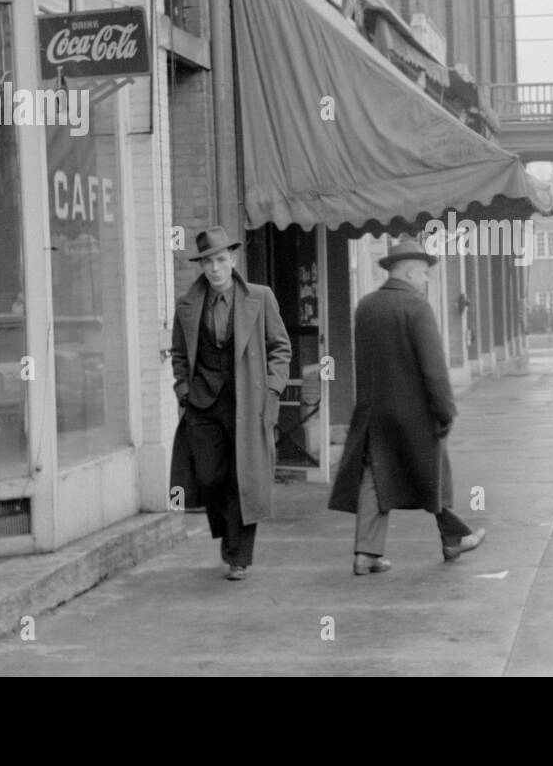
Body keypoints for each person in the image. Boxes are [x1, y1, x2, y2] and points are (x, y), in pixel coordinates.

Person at [328, 239, 485, 575]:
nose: (427, 280)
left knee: (375, 477)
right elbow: (433, 367)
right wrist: (445, 411)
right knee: (433, 473)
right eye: (426, 274)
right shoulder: (416, 307)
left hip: (374, 411)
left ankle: (366, 554)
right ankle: (454, 538)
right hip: (415, 413)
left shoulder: (366, 306)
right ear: (411, 271)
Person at [169, 226, 291, 581]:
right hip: (203, 405)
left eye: (221, 260)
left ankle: (238, 555)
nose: (215, 268)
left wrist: (272, 389)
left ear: (233, 260)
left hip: (247, 403)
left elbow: (280, 348)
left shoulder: (260, 296)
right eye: (208, 262)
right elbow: (178, 353)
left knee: (245, 479)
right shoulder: (188, 305)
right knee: (208, 476)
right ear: (202, 266)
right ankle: (228, 533)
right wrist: (182, 390)